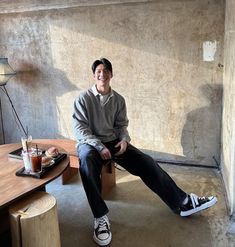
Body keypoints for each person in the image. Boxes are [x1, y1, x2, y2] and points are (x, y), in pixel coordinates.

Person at [72, 58, 217, 246]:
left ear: (111, 74)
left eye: (106, 70)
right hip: (90, 144)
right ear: (94, 75)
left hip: (113, 142)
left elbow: (121, 125)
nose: (103, 74)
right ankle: (100, 218)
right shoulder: (83, 99)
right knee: (86, 163)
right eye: (99, 71)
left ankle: (183, 202)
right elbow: (80, 130)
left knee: (146, 162)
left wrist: (124, 140)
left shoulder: (118, 100)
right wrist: (98, 146)